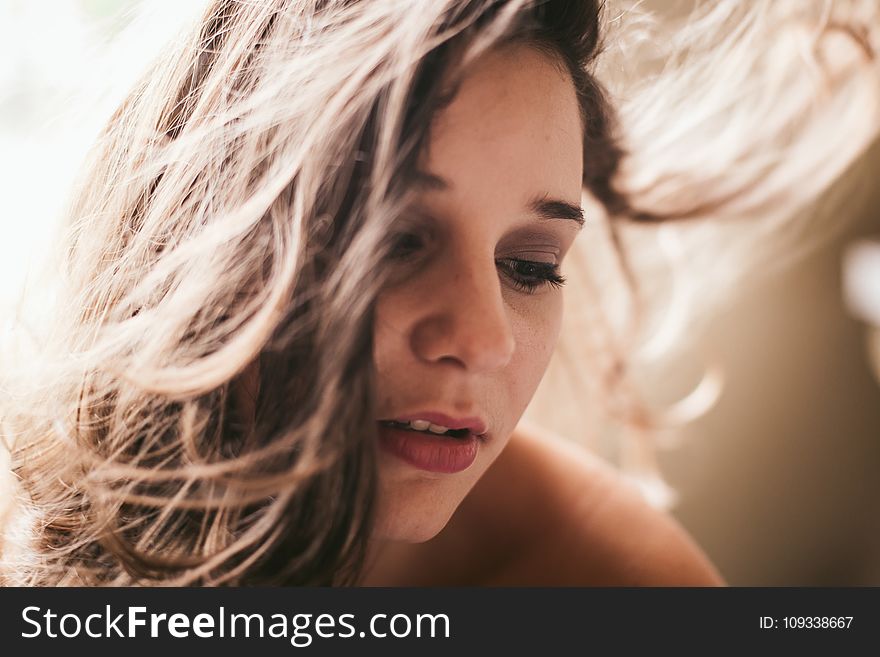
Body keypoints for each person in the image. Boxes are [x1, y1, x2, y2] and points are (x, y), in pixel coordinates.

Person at [0, 0, 876, 586]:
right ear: (199, 231)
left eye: (530, 265)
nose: (485, 337)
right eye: (394, 242)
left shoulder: (607, 583)